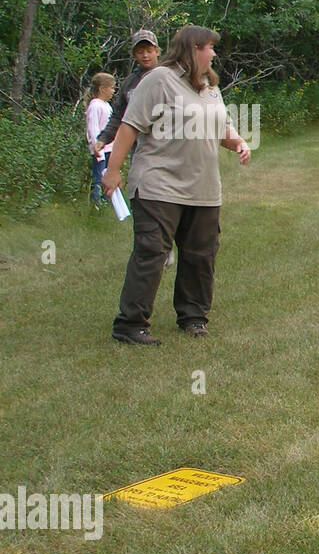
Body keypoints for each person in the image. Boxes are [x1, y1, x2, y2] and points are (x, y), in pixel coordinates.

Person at [101, 25, 252, 345]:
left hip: (203, 188)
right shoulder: (159, 79)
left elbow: (222, 127)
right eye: (210, 48)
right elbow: (129, 127)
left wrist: (239, 143)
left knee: (201, 254)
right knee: (152, 253)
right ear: (193, 48)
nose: (213, 54)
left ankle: (193, 317)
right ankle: (130, 324)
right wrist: (113, 171)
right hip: (159, 184)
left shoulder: (210, 86)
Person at [94, 29, 160, 156]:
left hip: (168, 148)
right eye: (140, 52)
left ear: (157, 51)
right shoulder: (130, 84)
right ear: (134, 55)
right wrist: (103, 139)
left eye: (149, 51)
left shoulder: (170, 77)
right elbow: (119, 115)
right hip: (140, 150)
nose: (145, 55)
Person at [85, 72, 115, 206]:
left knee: (107, 178)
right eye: (112, 88)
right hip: (100, 151)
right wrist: (98, 146)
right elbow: (93, 128)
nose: (113, 91)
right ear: (102, 89)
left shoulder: (107, 106)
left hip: (109, 149)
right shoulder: (95, 105)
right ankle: (95, 204)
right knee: (98, 178)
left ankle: (105, 202)